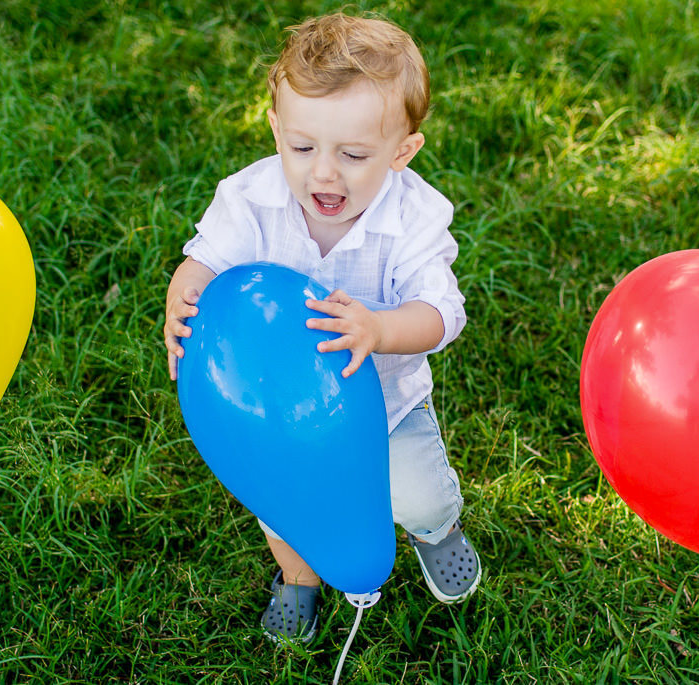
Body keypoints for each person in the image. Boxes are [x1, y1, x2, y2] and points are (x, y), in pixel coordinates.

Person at [164, 11, 480, 644]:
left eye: (354, 154)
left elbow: (443, 311)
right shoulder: (251, 199)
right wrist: (184, 296)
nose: (324, 173)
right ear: (277, 128)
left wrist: (381, 329)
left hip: (387, 405)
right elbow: (204, 261)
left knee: (415, 494)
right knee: (284, 513)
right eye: (302, 147)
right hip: (278, 413)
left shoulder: (413, 217)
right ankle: (299, 579)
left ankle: (437, 529)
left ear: (401, 152)